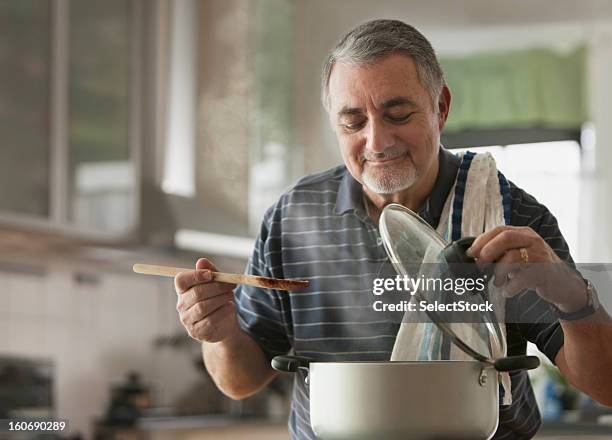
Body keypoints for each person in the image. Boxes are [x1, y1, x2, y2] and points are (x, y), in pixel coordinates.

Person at [174, 19, 612, 439]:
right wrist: (221, 333)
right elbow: (240, 381)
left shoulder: (511, 214)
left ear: (440, 107)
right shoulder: (293, 217)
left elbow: (606, 386)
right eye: (353, 122)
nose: (377, 141)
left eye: (397, 114)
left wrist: (570, 293)